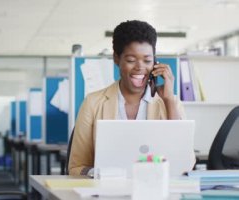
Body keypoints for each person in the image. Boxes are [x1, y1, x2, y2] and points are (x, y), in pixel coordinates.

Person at [68, 20, 185, 176]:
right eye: (131, 60)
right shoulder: (93, 103)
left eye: (147, 60)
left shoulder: (170, 102)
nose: (140, 67)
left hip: (156, 190)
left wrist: (169, 100)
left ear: (155, 62)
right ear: (117, 58)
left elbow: (185, 164)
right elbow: (76, 167)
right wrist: (100, 174)